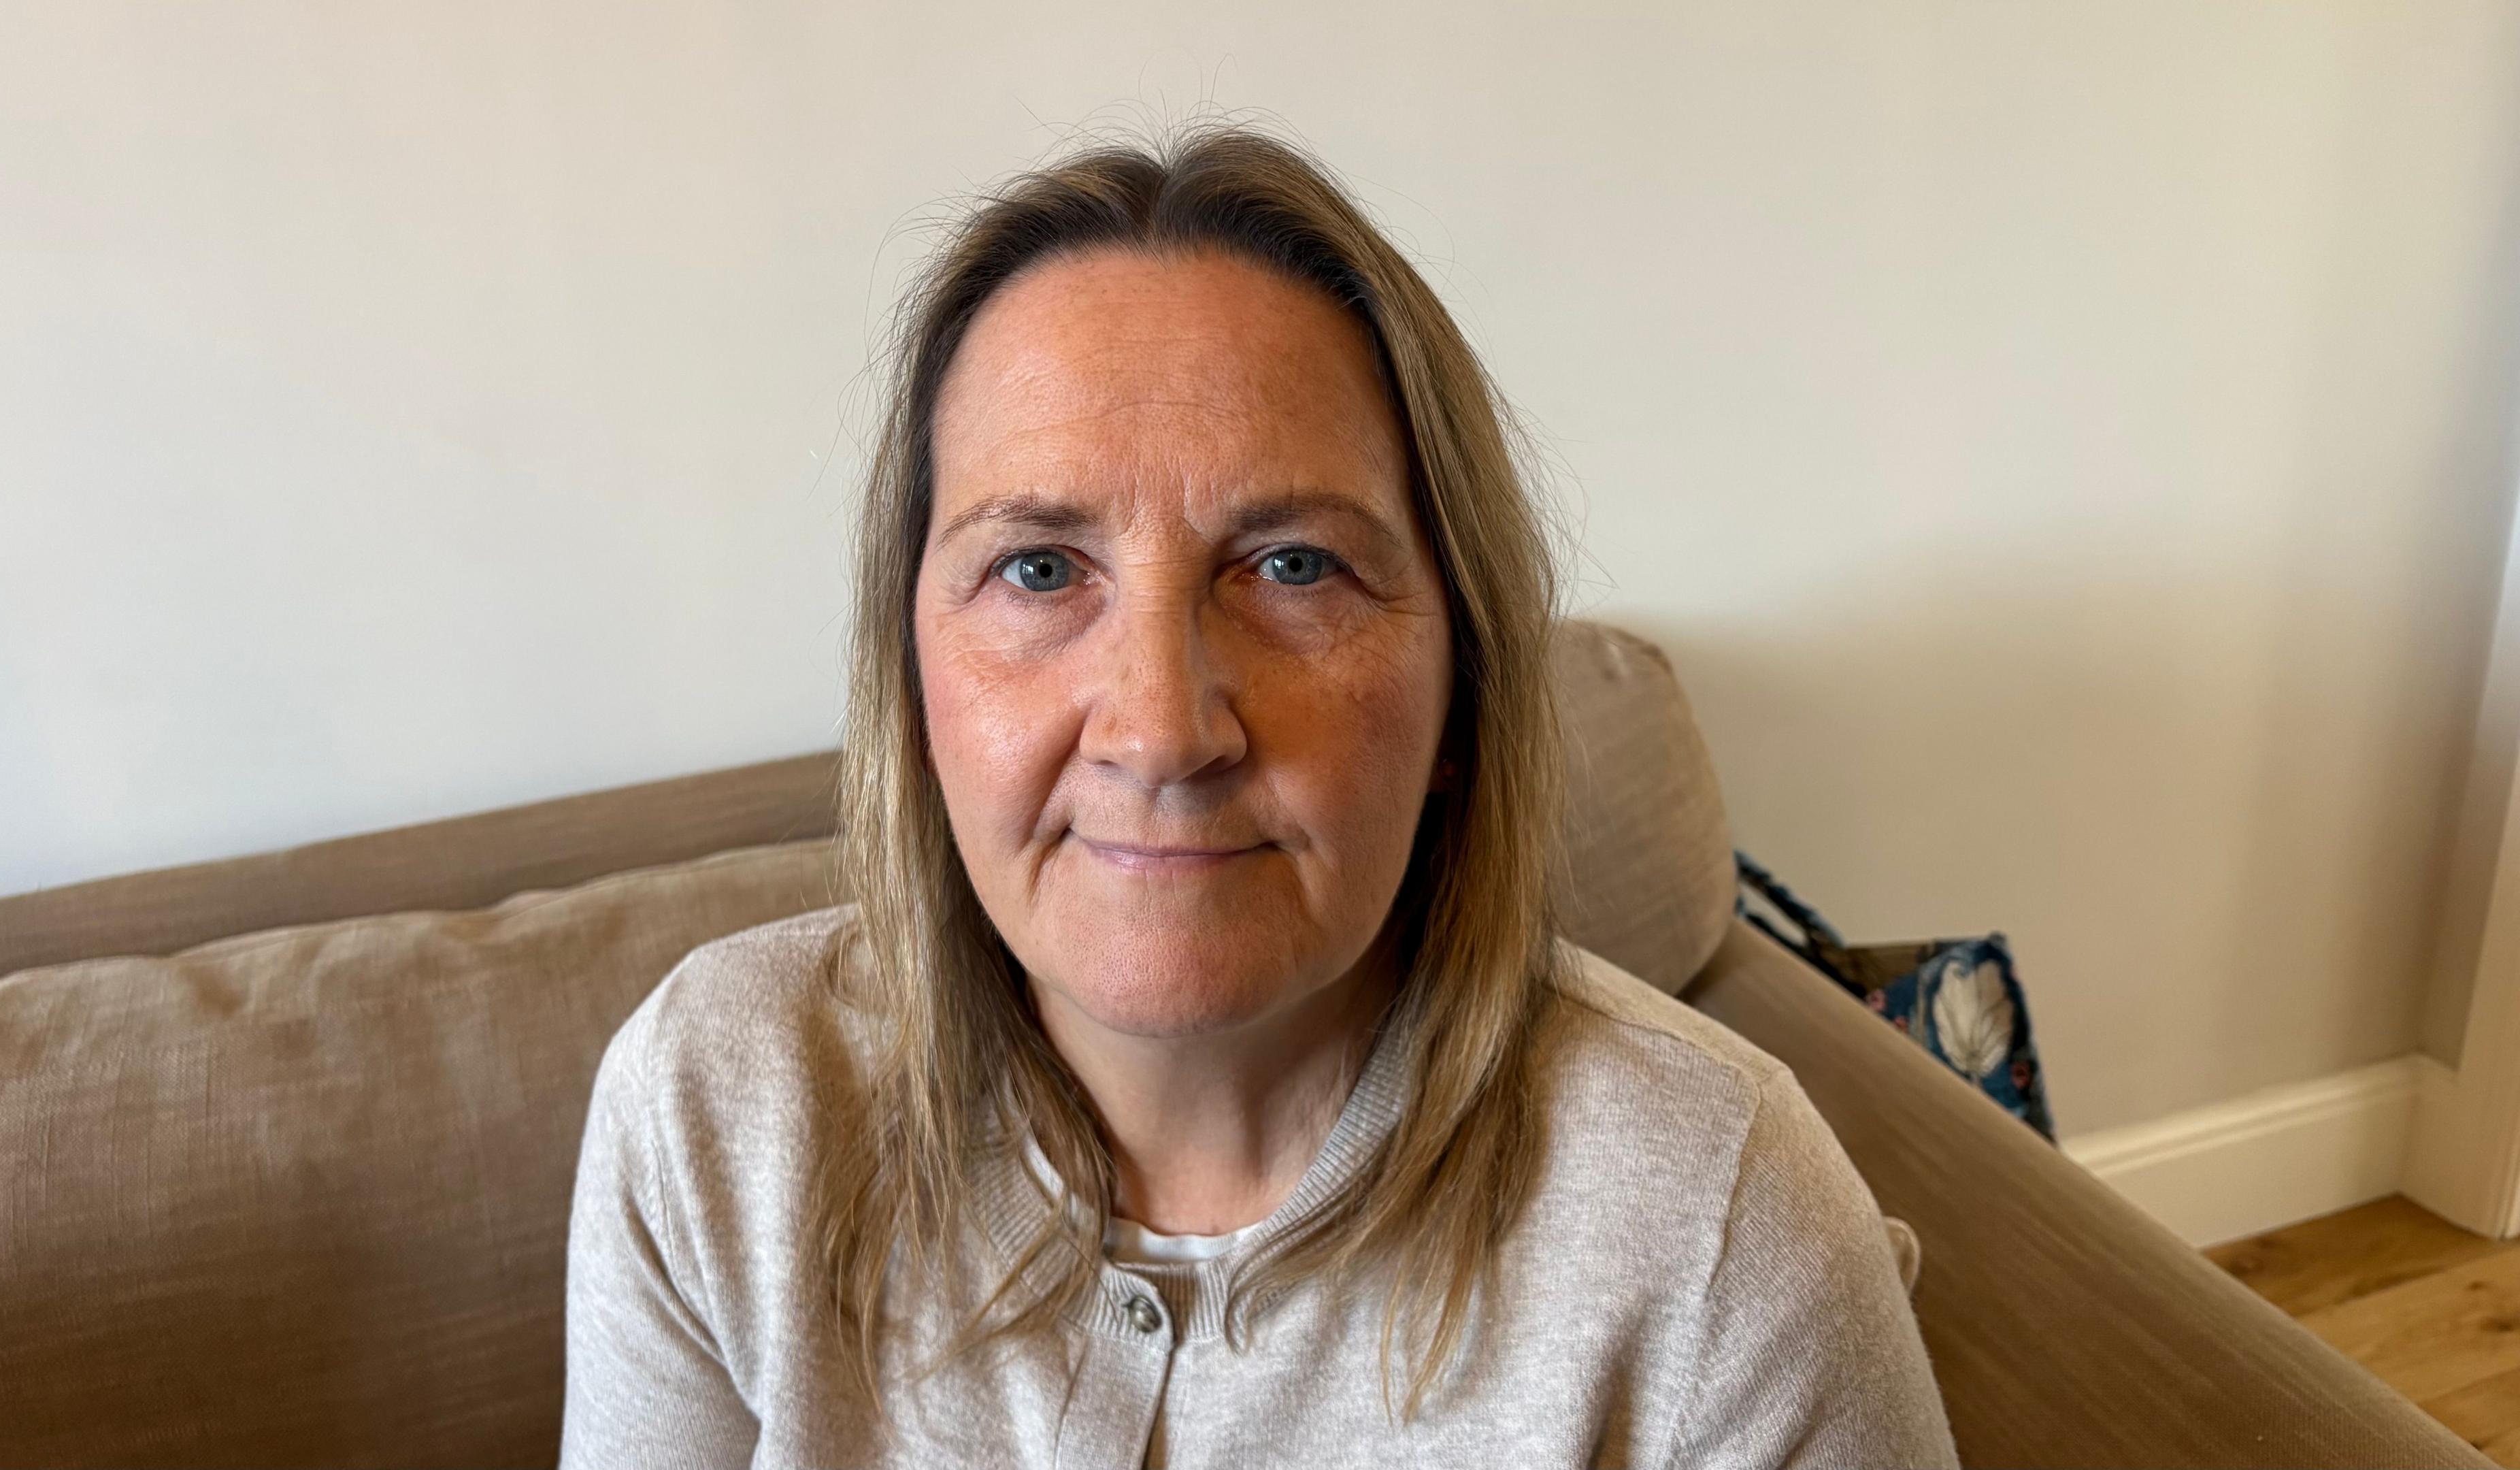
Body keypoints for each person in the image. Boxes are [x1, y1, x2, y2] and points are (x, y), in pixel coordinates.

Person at [560, 125, 1955, 1469]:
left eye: (1292, 566)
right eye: (1041, 569)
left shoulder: (1723, 1224)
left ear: (1462, 687)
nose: (1163, 731)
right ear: (913, 685)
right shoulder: (717, 1108)